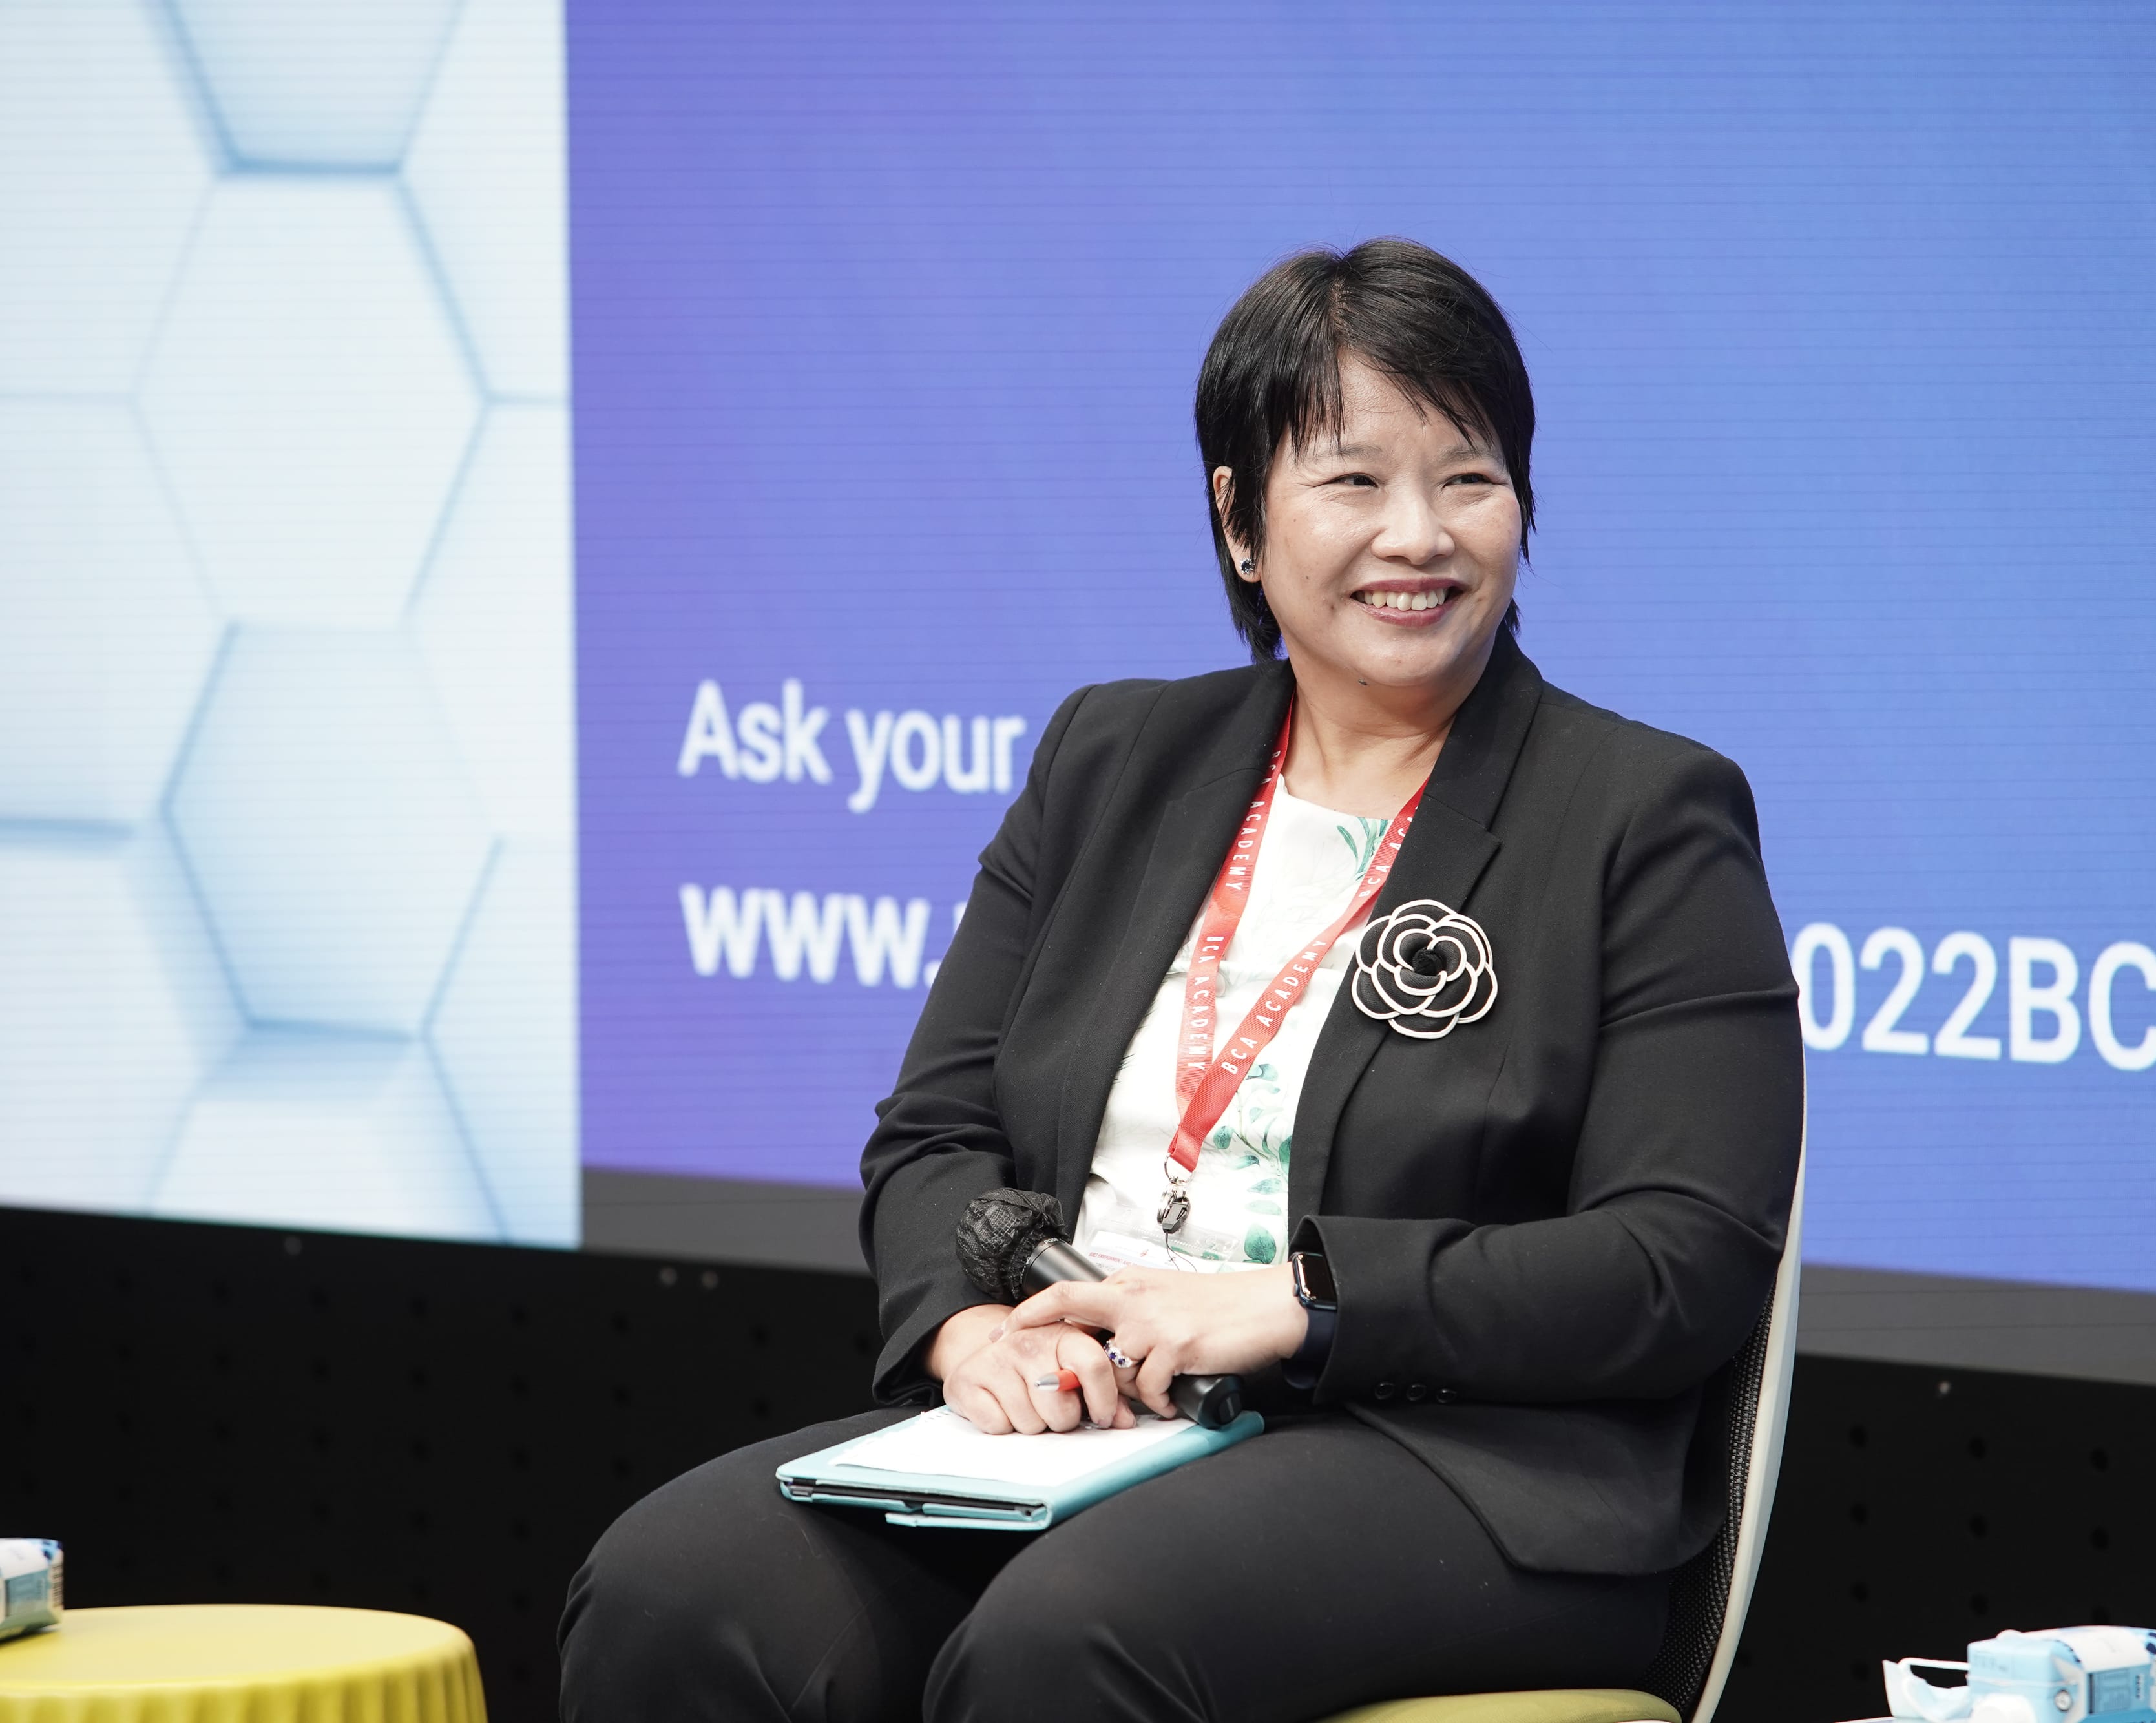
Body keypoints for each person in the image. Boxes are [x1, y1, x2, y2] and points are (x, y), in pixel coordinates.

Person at [560, 238, 1803, 1723]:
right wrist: (969, 1333)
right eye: (1352, 481)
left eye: (1467, 477)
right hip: (1095, 1424)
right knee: (672, 1592)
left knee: (1067, 1645)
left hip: (1457, 1457)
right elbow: (932, 1140)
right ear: (1237, 516)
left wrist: (1296, 1302)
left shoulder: (1641, 812)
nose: (1418, 534)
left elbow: (1678, 1258)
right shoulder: (1111, 759)